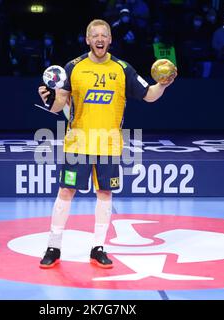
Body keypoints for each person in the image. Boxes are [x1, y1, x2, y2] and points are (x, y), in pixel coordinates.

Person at [37, 19, 175, 269]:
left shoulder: (123, 69)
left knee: (105, 193)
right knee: (66, 192)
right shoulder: (73, 67)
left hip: (109, 145)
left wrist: (162, 85)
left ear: (110, 40)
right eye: (95, 35)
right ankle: (53, 246)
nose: (99, 39)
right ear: (87, 40)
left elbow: (150, 96)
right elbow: (59, 106)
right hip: (78, 143)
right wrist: (50, 100)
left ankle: (98, 248)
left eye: (104, 35)